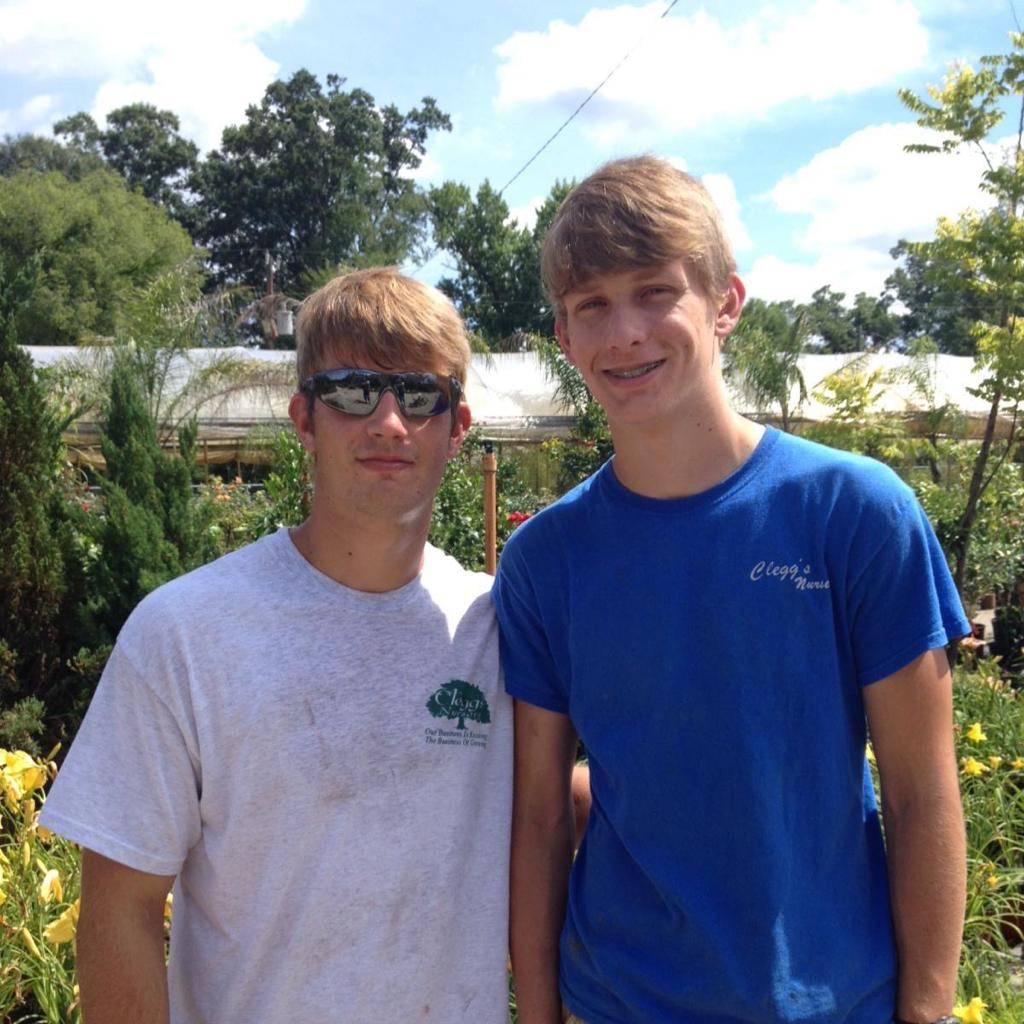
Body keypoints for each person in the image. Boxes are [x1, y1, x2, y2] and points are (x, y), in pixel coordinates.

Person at [492, 156, 968, 1024]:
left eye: (655, 291)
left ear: (725, 304)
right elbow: (537, 819)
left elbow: (921, 791)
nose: (624, 332)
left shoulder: (855, 512)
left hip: (832, 1001)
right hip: (618, 1002)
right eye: (591, 304)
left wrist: (926, 1012)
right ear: (564, 337)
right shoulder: (544, 560)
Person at [40, 268, 513, 1023]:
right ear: (304, 417)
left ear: (456, 426)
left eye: (421, 396)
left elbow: (565, 802)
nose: (389, 421)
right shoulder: (186, 633)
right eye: (354, 391)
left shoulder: (499, 627)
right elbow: (119, 912)